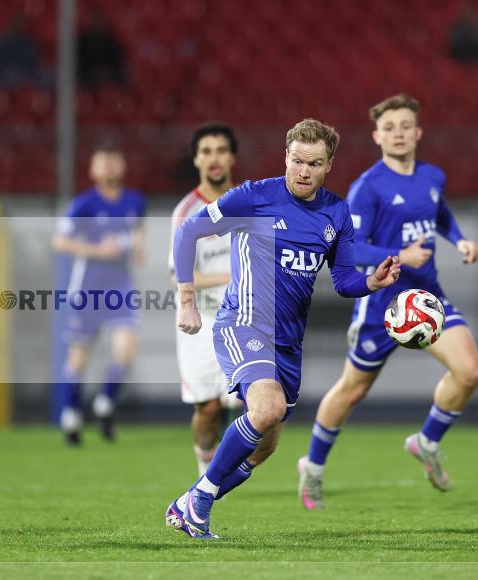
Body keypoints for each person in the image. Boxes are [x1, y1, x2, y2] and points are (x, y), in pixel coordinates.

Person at [165, 119, 402, 539]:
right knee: (267, 409)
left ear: (329, 165)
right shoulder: (256, 196)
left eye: (314, 163)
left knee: (265, 446)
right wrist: (186, 299)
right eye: (297, 161)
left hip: (289, 343)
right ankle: (199, 503)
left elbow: (344, 279)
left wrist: (372, 281)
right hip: (243, 323)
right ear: (285, 157)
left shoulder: (336, 212)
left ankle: (189, 501)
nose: (303, 171)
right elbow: (189, 231)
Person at [298, 93, 478, 509]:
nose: (398, 134)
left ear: (417, 132)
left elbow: (441, 217)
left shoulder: (433, 175)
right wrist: (401, 256)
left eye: (405, 127)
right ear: (376, 136)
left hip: (427, 299)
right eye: (389, 128)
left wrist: (460, 240)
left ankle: (426, 441)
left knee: (470, 370)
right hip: (383, 304)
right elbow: (349, 248)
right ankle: (312, 466)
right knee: (351, 391)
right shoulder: (367, 187)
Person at [52, 143, 145, 445]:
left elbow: (138, 234)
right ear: (92, 170)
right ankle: (71, 415)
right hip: (88, 288)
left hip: (120, 287)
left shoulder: (134, 201)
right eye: (102, 163)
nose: (108, 168)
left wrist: (138, 247)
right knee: (78, 357)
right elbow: (60, 242)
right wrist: (98, 250)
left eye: (113, 162)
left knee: (126, 351)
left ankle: (104, 403)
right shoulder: (85, 204)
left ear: (122, 167)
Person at [168, 123, 242, 476]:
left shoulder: (248, 202)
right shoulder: (186, 212)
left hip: (244, 319)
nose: (215, 158)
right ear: (196, 159)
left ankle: (229, 469)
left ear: (232, 157)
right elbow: (177, 275)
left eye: (221, 150)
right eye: (207, 151)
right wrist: (230, 276)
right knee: (209, 407)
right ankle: (204, 465)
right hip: (202, 319)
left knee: (246, 400)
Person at [76, 9, 126, 88]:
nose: (97, 24)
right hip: (86, 75)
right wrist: (92, 72)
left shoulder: (111, 41)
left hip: (108, 75)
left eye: (99, 21)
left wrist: (106, 71)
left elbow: (116, 60)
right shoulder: (82, 41)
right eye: (95, 21)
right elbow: (78, 61)